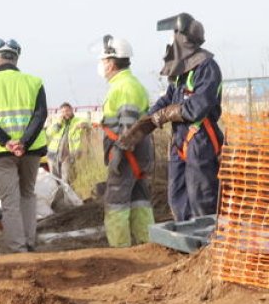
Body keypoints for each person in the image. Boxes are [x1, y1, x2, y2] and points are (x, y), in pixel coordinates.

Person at [120, 13, 223, 221]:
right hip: (180, 141)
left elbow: (197, 108)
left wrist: (166, 115)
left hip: (200, 140)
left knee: (201, 197)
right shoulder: (181, 73)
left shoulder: (207, 68)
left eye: (173, 35)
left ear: (182, 39)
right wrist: (141, 127)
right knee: (177, 196)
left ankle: (206, 245)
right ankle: (186, 245)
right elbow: (166, 100)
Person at [0, 38, 49, 253]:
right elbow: (40, 115)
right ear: (16, 58)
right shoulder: (34, 82)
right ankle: (30, 242)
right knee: (27, 194)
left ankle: (18, 250)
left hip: (1, 153)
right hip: (31, 150)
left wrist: (7, 142)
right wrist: (24, 143)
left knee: (10, 201)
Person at [97, 36, 154, 247]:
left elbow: (128, 128)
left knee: (116, 203)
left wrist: (118, 154)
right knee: (139, 200)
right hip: (136, 155)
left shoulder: (124, 86)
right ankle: (147, 244)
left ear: (111, 63)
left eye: (104, 61)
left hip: (127, 155)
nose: (102, 66)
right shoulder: (129, 84)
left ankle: (120, 251)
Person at [46, 102, 87, 181]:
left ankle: (66, 193)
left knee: (66, 179)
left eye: (67, 111)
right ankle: (58, 193)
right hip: (53, 154)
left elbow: (87, 123)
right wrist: (58, 124)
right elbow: (48, 133)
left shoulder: (78, 120)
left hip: (68, 155)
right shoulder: (57, 121)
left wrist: (84, 124)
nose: (65, 113)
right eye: (63, 112)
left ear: (72, 110)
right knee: (54, 179)